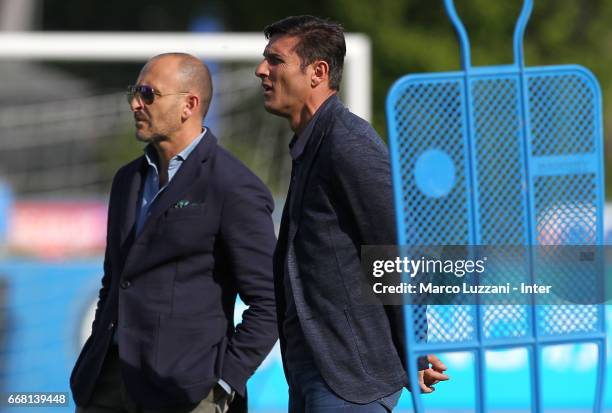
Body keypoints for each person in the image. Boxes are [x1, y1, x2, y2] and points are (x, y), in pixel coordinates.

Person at [255, 16, 449, 412]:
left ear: (318, 73)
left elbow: (404, 249)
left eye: (275, 60)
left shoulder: (348, 142)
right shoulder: (314, 141)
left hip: (350, 381)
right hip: (318, 371)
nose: (262, 70)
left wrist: (415, 345)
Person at [70, 53, 278, 413]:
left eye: (149, 93)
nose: (136, 103)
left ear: (189, 105)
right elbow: (115, 282)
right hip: (106, 384)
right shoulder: (127, 180)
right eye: (135, 92)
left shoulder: (233, 186)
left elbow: (271, 301)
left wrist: (222, 385)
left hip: (186, 394)